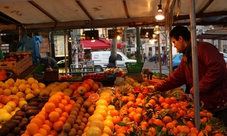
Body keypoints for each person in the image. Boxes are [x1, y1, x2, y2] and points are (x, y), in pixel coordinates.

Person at [148, 26, 227, 126]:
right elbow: (176, 77)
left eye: (174, 42)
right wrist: (156, 87)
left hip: (221, 105)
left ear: (181, 39)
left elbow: (218, 68)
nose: (174, 45)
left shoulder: (204, 48)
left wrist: (200, 86)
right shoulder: (187, 57)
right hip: (207, 106)